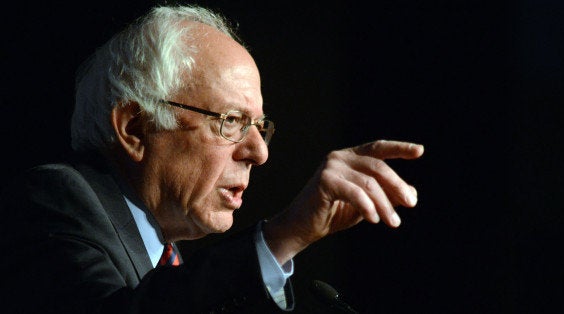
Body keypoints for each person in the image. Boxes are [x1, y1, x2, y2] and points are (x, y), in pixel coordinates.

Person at [0, 4, 423, 313]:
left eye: (260, 125)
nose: (259, 151)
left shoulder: (173, 259)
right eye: (231, 120)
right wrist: (281, 237)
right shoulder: (52, 200)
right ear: (134, 128)